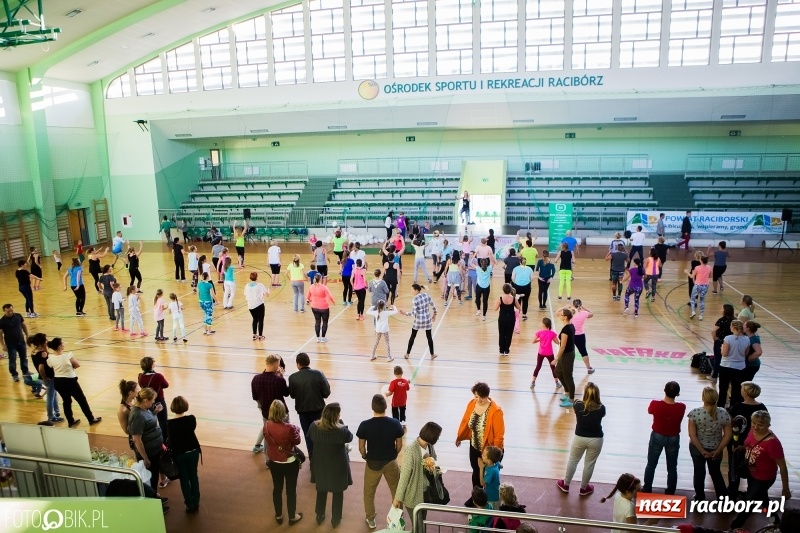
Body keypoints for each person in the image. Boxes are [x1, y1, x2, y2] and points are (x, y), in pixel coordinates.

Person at [729, 411, 791, 530]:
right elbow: (749, 444)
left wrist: (785, 489)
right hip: (752, 473)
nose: (756, 427)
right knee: (763, 499)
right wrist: (741, 447)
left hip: (763, 478)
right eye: (753, 423)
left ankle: (733, 527)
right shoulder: (753, 431)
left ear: (768, 425)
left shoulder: (772, 443)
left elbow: (783, 467)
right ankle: (775, 521)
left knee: (748, 504)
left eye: (760, 424)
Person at [357, 394, 404, 530]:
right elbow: (399, 445)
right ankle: (397, 516)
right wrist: (394, 454)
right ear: (386, 407)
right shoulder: (395, 423)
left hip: (372, 464)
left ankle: (371, 519)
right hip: (390, 462)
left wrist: (365, 456)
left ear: (372, 408)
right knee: (396, 491)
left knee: (369, 493)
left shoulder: (365, 425)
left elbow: (361, 447)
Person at [308, 403, 353, 527]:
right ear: (336, 416)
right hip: (338, 465)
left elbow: (310, 436)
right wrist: (341, 422)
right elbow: (350, 437)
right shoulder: (342, 431)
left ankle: (319, 514)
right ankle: (336, 519)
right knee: (338, 492)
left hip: (320, 463)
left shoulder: (314, 426)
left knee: (321, 489)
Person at [557, 382, 605, 496]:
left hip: (580, 437)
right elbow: (599, 407)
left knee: (573, 460)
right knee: (589, 464)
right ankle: (584, 488)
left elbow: (576, 401)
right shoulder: (602, 408)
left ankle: (566, 484)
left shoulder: (578, 405)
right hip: (596, 439)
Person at [456, 382, 505, 489]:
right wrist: (459, 437)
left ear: (487, 396)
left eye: (481, 397)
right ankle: (477, 496)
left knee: (488, 476)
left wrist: (494, 457)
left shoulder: (496, 411)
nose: (478, 400)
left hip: (490, 451)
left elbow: (499, 436)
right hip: (474, 447)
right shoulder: (472, 404)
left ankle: (487, 498)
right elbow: (465, 421)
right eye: (476, 396)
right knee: (476, 471)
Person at [393, 422, 442, 527]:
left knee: (422, 521)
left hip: (425, 492)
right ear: (431, 436)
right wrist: (397, 498)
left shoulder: (429, 446)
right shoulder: (411, 450)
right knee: (418, 525)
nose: (438, 439)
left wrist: (433, 467)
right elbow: (404, 476)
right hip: (413, 494)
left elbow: (434, 460)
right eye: (437, 436)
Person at [263, 399, 304, 525]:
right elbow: (297, 442)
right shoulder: (289, 427)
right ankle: (292, 516)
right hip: (289, 462)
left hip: (274, 461)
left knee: (277, 488)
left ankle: (279, 516)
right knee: (291, 490)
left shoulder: (266, 426)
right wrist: (296, 429)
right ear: (283, 412)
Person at [46, 337, 101, 428]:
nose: (64, 344)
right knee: (81, 400)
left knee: (66, 401)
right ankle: (91, 419)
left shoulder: (50, 358)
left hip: (58, 382)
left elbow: (50, 365)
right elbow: (77, 364)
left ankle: (70, 421)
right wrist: (70, 367)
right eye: (62, 343)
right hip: (70, 381)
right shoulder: (68, 356)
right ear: (60, 346)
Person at [687, 387, 731, 501]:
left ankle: (700, 497)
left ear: (703, 398)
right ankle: (723, 499)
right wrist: (718, 450)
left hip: (697, 449)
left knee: (699, 472)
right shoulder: (723, 413)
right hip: (716, 448)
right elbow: (727, 435)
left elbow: (692, 435)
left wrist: (702, 450)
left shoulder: (695, 413)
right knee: (716, 473)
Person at [642, 381, 686, 495]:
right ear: (678, 394)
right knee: (672, 467)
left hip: (657, 436)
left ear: (664, 391)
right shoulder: (681, 407)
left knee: (651, 464)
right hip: (673, 438)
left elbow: (649, 410)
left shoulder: (655, 404)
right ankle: (670, 491)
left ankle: (647, 488)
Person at [288, 352, 331, 459]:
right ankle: (323, 456)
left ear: (298, 364)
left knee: (308, 435)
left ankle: (312, 457)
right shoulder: (319, 374)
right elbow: (326, 393)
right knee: (321, 433)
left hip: (303, 412)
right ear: (309, 362)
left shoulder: (293, 377)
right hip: (318, 411)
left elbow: (292, 395)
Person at [727, 381, 767, 494]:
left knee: (734, 466)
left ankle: (732, 491)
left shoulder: (738, 407)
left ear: (744, 392)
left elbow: (731, 423)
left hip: (738, 440)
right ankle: (751, 492)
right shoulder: (762, 407)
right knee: (752, 466)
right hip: (755, 441)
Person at [168, 396, 202, 513]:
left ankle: (189, 504)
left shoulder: (169, 424)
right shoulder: (192, 419)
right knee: (193, 475)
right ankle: (196, 501)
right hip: (193, 451)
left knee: (184, 479)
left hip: (179, 454)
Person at [251, 354, 289, 453]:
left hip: (265, 412)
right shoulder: (279, 380)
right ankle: (285, 453)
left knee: (267, 433)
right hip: (281, 412)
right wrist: (281, 376)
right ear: (276, 364)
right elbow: (286, 393)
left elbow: (255, 397)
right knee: (286, 431)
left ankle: (268, 460)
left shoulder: (256, 378)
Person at [128, 387, 163, 490]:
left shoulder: (145, 409)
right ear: (145, 400)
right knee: (150, 478)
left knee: (155, 475)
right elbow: (136, 439)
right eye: (152, 400)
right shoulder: (137, 415)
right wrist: (145, 458)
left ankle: (154, 495)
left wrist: (155, 412)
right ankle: (153, 499)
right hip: (149, 453)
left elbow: (147, 422)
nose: (153, 403)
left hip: (154, 450)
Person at [138, 357, 169, 457]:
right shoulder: (158, 376)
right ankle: (164, 443)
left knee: (151, 418)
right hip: (159, 400)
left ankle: (152, 438)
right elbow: (166, 385)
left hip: (147, 401)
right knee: (163, 422)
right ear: (151, 365)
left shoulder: (140, 376)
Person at [398, 284, 438, 360]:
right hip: (427, 320)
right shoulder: (426, 295)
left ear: (416, 290)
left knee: (413, 336)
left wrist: (405, 313)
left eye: (412, 290)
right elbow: (433, 306)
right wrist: (434, 314)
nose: (411, 291)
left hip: (418, 321)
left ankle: (407, 354)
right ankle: (432, 354)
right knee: (429, 337)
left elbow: (414, 313)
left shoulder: (415, 299)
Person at [29, 333, 62, 423]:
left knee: (54, 395)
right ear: (42, 342)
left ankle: (57, 414)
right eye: (46, 340)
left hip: (46, 378)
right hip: (49, 378)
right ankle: (51, 417)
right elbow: (41, 368)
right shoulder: (42, 353)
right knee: (50, 397)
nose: (47, 341)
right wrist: (45, 378)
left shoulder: (34, 351)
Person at [719, 319, 749, 408]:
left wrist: (721, 349)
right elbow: (746, 354)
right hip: (739, 367)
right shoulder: (747, 339)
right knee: (736, 389)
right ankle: (734, 408)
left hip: (726, 366)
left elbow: (724, 354)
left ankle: (720, 406)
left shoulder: (728, 338)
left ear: (733, 327)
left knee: (723, 388)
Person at [0, 304, 31, 382]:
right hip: (10, 344)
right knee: (12, 360)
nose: (10, 312)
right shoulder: (2, 321)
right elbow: (0, 334)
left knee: (24, 358)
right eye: (8, 311)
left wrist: (27, 335)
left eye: (11, 310)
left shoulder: (18, 316)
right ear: (4, 311)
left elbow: (23, 325)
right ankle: (14, 374)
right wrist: (3, 345)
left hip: (21, 341)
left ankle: (25, 371)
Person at [552, 308, 576, 408]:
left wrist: (556, 358)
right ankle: (566, 392)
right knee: (558, 372)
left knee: (568, 376)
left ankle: (571, 400)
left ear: (565, 317)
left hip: (567, 355)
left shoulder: (566, 330)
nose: (560, 316)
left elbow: (562, 346)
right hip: (566, 354)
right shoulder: (570, 325)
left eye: (561, 315)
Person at [307, 273, 336, 343]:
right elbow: (329, 296)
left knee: (317, 322)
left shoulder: (311, 287)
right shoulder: (324, 287)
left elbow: (308, 297)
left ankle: (317, 338)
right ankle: (323, 338)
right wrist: (333, 301)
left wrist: (311, 301)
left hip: (314, 306)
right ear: (320, 279)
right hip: (324, 307)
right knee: (325, 322)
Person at [494, 283, 520, 357]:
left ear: (503, 290)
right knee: (509, 335)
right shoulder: (514, 299)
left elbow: (495, 309)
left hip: (502, 318)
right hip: (511, 319)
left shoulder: (500, 298)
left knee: (502, 334)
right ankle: (506, 350)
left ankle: (501, 350)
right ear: (511, 290)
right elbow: (519, 308)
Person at [710, 304, 735, 382]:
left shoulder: (721, 320)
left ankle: (714, 376)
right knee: (730, 359)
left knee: (718, 359)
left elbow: (713, 330)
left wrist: (715, 339)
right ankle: (730, 378)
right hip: (732, 342)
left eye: (722, 308)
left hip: (720, 342)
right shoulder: (735, 320)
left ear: (725, 310)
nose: (721, 310)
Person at [570, 299, 595, 374]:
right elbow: (591, 314)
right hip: (580, 335)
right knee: (583, 352)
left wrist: (570, 308)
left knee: (570, 353)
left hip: (571, 335)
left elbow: (558, 313)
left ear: (573, 305)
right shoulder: (584, 313)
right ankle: (589, 368)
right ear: (580, 305)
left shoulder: (570, 313)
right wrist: (584, 308)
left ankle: (569, 369)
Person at [244, 272, 269, 340]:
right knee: (261, 320)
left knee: (255, 319)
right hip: (259, 304)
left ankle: (254, 334)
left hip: (250, 305)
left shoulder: (247, 285)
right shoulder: (260, 285)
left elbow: (245, 294)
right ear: (256, 277)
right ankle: (260, 336)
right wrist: (268, 291)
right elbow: (267, 294)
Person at [117, 379, 139, 448]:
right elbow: (126, 430)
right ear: (130, 392)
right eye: (137, 389)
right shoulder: (122, 410)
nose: (139, 391)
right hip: (136, 436)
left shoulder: (135, 400)